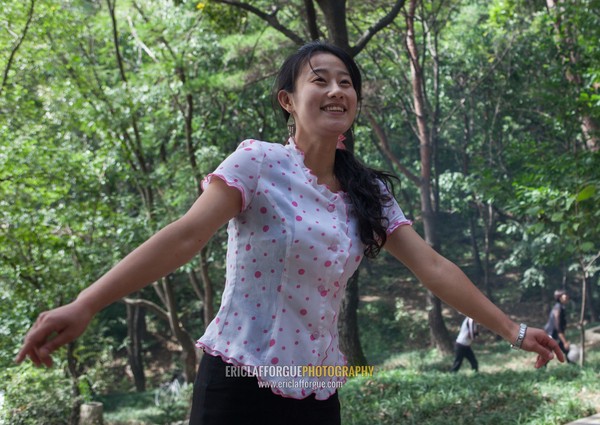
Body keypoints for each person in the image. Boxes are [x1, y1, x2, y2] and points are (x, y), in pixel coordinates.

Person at [15, 41, 564, 425]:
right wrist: (86, 304)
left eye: (346, 83)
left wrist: (515, 332)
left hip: (317, 387)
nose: (335, 91)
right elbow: (185, 236)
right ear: (288, 100)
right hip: (236, 378)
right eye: (319, 80)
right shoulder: (258, 163)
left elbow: (435, 269)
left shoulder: (368, 193)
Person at [544, 289, 571, 362]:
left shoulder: (561, 307)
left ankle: (572, 365)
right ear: (559, 298)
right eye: (565, 296)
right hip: (551, 334)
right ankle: (541, 370)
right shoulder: (558, 308)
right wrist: (564, 341)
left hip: (556, 335)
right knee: (547, 354)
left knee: (566, 350)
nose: (567, 297)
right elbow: (558, 326)